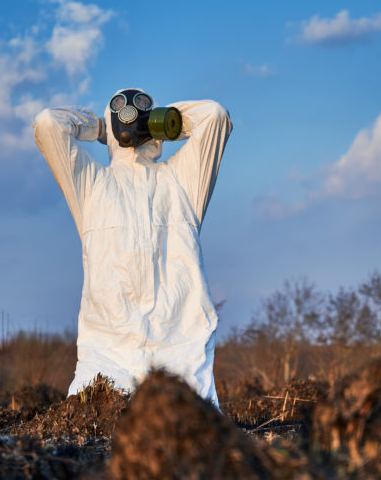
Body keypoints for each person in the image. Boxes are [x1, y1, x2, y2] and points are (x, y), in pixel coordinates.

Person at [33, 90, 232, 406]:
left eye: (143, 109)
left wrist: (162, 122)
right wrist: (101, 129)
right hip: (106, 360)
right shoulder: (91, 186)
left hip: (181, 357)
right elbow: (48, 125)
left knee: (193, 443)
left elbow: (215, 117)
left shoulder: (182, 183)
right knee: (88, 441)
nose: (131, 115)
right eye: (121, 110)